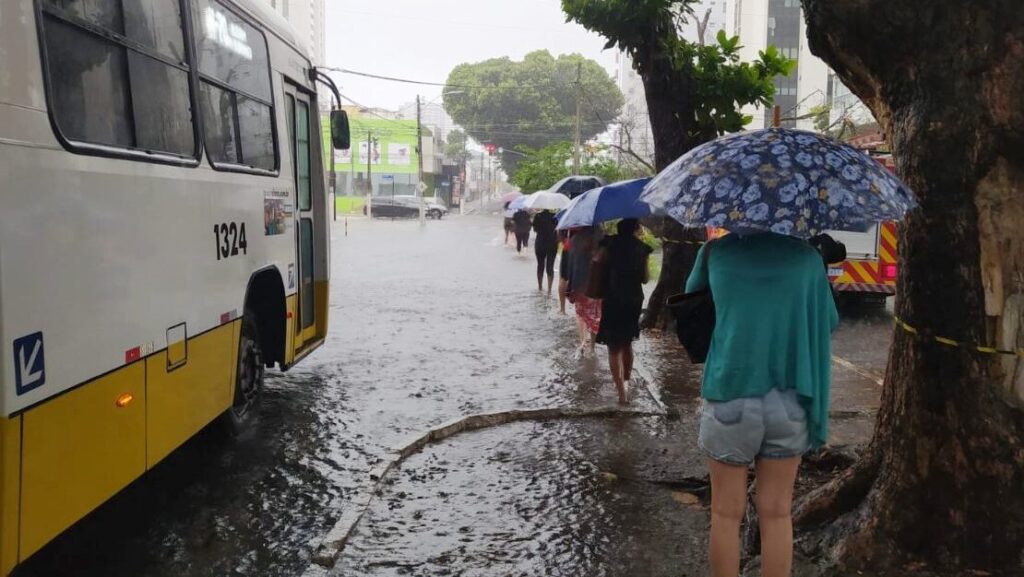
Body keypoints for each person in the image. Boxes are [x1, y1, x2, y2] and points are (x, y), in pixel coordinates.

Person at [685, 231, 838, 577]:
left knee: (725, 514)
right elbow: (828, 321)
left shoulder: (715, 252)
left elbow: (691, 300)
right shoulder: (808, 258)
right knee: (777, 513)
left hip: (730, 393)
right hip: (791, 399)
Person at [595, 219, 652, 404]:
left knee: (613, 345)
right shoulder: (642, 248)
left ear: (619, 229)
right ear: (635, 229)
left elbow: (597, 263)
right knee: (627, 342)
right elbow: (645, 279)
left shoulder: (609, 243)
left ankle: (621, 392)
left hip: (613, 296)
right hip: (633, 298)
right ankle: (627, 381)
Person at [566, 227, 601, 356]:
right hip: (596, 284)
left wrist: (570, 287)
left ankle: (583, 342)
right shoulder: (602, 239)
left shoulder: (575, 240)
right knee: (595, 316)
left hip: (579, 283)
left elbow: (571, 265)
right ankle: (592, 347)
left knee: (580, 314)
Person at [532, 210, 558, 293]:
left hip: (540, 243)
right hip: (552, 243)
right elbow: (558, 228)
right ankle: (549, 289)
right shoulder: (555, 216)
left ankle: (540, 287)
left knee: (540, 265)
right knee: (550, 266)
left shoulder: (538, 216)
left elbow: (535, 229)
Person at [557, 231, 571, 314]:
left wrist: (565, 241)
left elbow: (559, 236)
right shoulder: (591, 219)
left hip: (568, 247)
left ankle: (562, 309)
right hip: (586, 249)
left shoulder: (567, 219)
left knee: (563, 278)